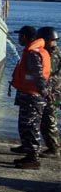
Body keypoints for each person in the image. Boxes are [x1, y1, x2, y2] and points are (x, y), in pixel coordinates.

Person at [10, 26, 50, 169]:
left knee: (31, 127)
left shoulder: (33, 54)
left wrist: (43, 94)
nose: (18, 38)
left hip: (33, 97)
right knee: (25, 126)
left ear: (26, 37)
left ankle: (33, 159)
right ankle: (28, 154)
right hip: (28, 95)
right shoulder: (31, 51)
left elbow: (38, 77)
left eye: (20, 35)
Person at [37, 27, 60, 158]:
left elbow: (50, 76)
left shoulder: (51, 54)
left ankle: (54, 148)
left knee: (49, 120)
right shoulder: (57, 52)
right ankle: (52, 146)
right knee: (48, 119)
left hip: (52, 93)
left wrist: (48, 91)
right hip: (55, 91)